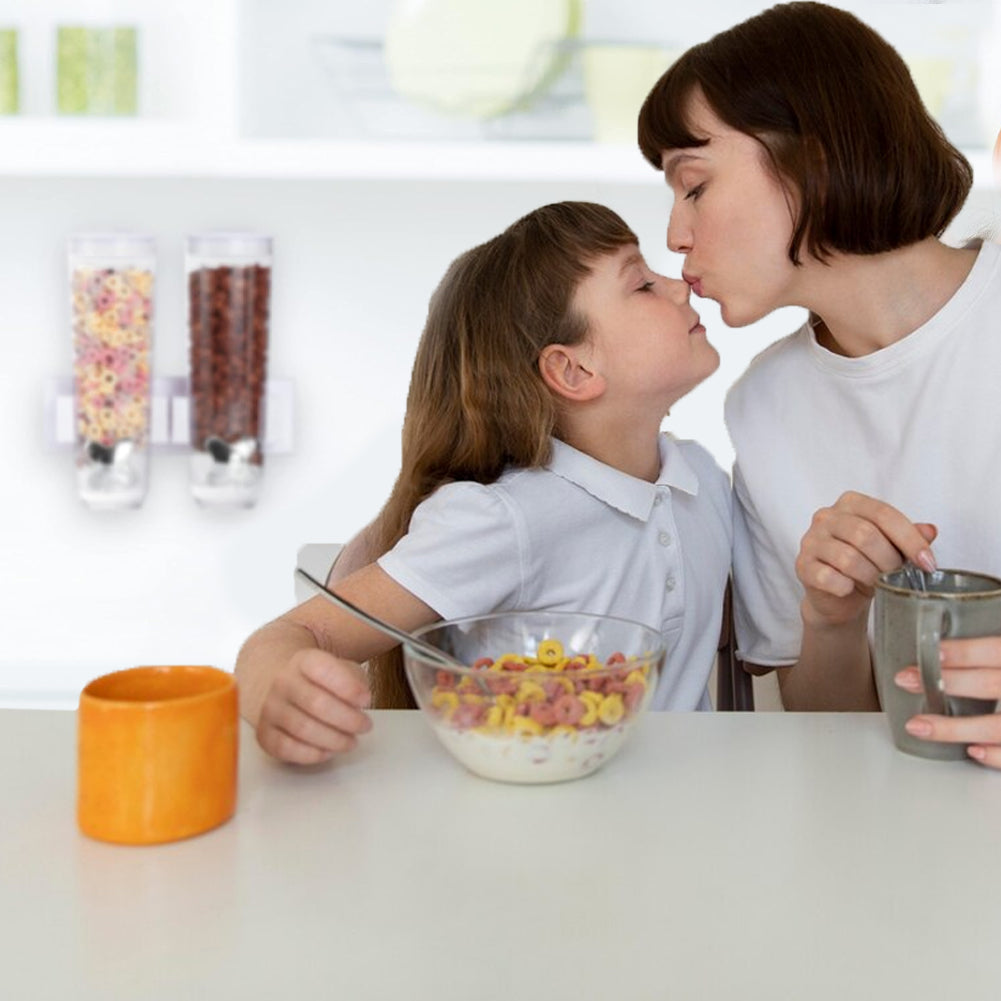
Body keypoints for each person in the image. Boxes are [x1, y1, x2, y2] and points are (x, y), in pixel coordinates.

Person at [235, 201, 731, 765]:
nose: (680, 286)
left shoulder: (704, 483)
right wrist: (277, 685)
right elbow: (303, 634)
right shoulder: (502, 518)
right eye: (642, 284)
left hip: (688, 821)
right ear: (574, 371)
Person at [637, 1, 1001, 766]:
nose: (673, 234)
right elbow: (820, 722)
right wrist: (832, 617)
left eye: (693, 185)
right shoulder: (766, 408)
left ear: (815, 157)